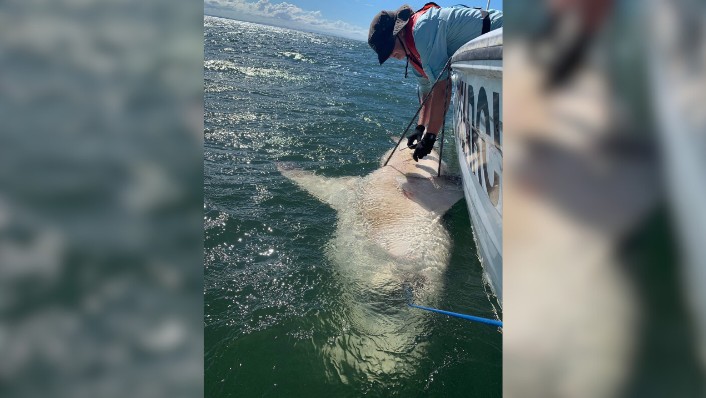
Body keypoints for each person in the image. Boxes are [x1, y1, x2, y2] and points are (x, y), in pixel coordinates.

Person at [368, 3, 503, 161]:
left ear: (400, 33)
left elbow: (443, 87)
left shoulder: (422, 31)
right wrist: (420, 127)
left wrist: (430, 137)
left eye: (389, 47)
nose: (390, 54)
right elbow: (427, 92)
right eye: (385, 53)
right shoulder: (412, 54)